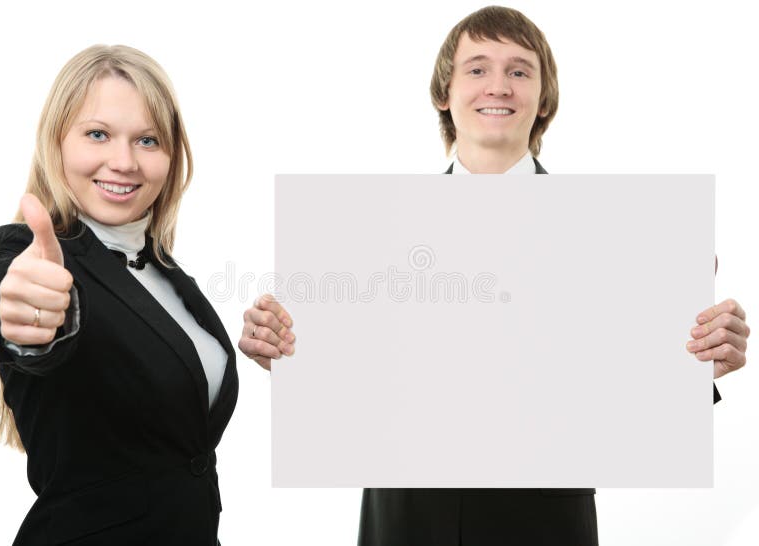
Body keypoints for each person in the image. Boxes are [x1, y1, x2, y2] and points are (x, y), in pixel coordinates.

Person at [239, 6, 750, 545]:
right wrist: (290, 355)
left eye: (519, 71)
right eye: (477, 68)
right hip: (405, 520)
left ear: (543, 97)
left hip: (543, 523)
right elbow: (350, 380)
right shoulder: (374, 235)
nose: (498, 86)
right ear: (445, 91)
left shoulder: (612, 239)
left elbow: (629, 387)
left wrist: (698, 362)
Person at [0, 45, 238, 545]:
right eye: (98, 134)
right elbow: (25, 319)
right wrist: (31, 323)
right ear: (57, 141)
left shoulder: (166, 272)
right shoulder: (20, 252)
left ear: (171, 156)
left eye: (147, 140)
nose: (124, 161)